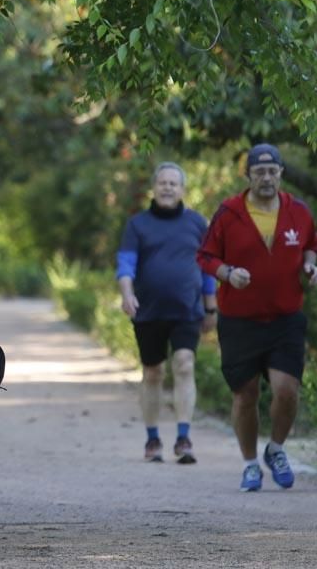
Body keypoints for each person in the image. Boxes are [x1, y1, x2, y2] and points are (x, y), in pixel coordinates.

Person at [198, 143, 317, 492]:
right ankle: (250, 464)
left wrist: (311, 266)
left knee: (287, 389)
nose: (266, 178)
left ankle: (276, 449)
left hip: (285, 318)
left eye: (272, 171)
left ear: (281, 173)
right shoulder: (229, 213)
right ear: (249, 175)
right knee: (245, 394)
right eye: (259, 172)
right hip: (240, 320)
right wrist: (227, 273)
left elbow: (313, 243)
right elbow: (206, 256)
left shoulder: (298, 211)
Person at [116, 162, 217, 464]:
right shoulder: (138, 225)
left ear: (183, 189)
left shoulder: (198, 223)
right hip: (148, 310)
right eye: (163, 182)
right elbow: (125, 265)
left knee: (184, 364)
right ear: (154, 187)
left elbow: (208, 269)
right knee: (153, 372)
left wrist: (211, 307)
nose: (168, 187)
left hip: (188, 309)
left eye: (174, 183)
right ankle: (152, 439)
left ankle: (184, 438)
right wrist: (127, 294)